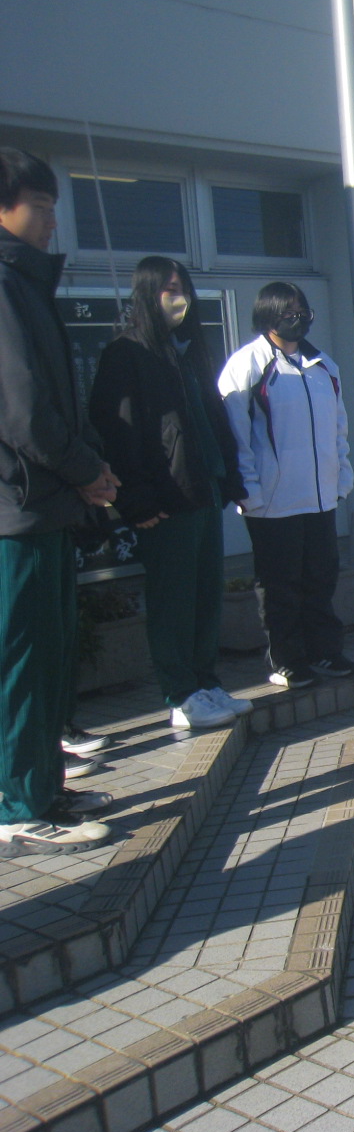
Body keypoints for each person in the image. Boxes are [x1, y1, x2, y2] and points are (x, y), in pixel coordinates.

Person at [0, 147, 121, 854]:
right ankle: (18, 805)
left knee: (46, 657)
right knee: (21, 660)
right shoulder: (4, 288)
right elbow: (23, 412)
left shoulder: (26, 284)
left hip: (44, 506)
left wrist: (88, 469)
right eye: (40, 207)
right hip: (16, 513)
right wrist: (85, 471)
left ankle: (44, 785)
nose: (52, 222)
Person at [90, 257, 252, 730]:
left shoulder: (187, 352)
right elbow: (117, 433)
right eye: (169, 289)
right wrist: (135, 499)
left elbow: (213, 422)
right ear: (147, 293)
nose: (179, 298)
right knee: (173, 600)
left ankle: (204, 680)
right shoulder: (125, 354)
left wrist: (230, 480)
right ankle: (180, 693)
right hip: (165, 501)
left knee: (205, 596)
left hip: (203, 492)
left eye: (184, 288)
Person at [217, 282, 354, 690]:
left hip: (320, 497)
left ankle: (324, 650)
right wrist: (249, 490)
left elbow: (338, 428)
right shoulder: (248, 365)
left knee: (321, 577)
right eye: (288, 311)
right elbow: (235, 435)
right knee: (280, 584)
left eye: (302, 310)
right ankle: (286, 659)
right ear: (269, 315)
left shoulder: (324, 366)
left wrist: (341, 477)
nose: (298, 317)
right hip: (272, 501)